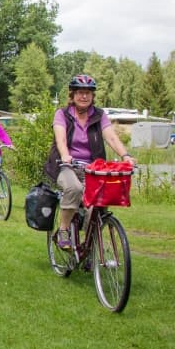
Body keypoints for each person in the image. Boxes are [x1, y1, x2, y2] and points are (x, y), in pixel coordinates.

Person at [43, 74, 137, 249]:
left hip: (92, 168)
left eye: (88, 93)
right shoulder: (62, 114)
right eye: (79, 92)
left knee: (99, 200)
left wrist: (126, 156)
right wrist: (65, 155)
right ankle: (63, 230)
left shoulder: (99, 115)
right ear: (72, 95)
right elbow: (60, 139)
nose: (84, 96)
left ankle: (90, 246)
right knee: (74, 188)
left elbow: (111, 137)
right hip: (66, 165)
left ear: (93, 96)